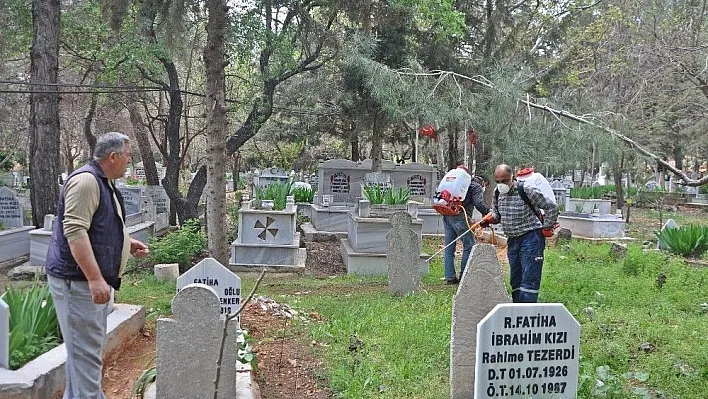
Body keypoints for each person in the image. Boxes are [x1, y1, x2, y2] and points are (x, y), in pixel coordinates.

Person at [45, 132, 149, 399]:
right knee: (87, 360)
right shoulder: (87, 182)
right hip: (78, 284)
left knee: (81, 358)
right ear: (112, 157)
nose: (130, 160)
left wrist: (126, 243)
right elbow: (75, 231)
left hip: (83, 283)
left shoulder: (104, 182)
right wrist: (94, 278)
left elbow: (98, 227)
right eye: (127, 155)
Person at [484, 164, 558, 302]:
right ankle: (516, 309)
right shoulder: (497, 192)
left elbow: (551, 207)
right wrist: (488, 220)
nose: (501, 184)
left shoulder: (527, 190)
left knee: (529, 277)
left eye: (505, 181)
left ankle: (526, 312)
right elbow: (496, 214)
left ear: (512, 177)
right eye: (498, 181)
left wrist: (546, 227)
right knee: (516, 277)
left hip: (531, 238)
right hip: (512, 239)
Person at [443, 166, 489, 284]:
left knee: (449, 247)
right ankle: (464, 275)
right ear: (483, 182)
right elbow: (478, 203)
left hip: (447, 214)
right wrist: (489, 214)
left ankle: (450, 277)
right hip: (461, 216)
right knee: (469, 246)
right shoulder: (475, 186)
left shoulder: (453, 182)